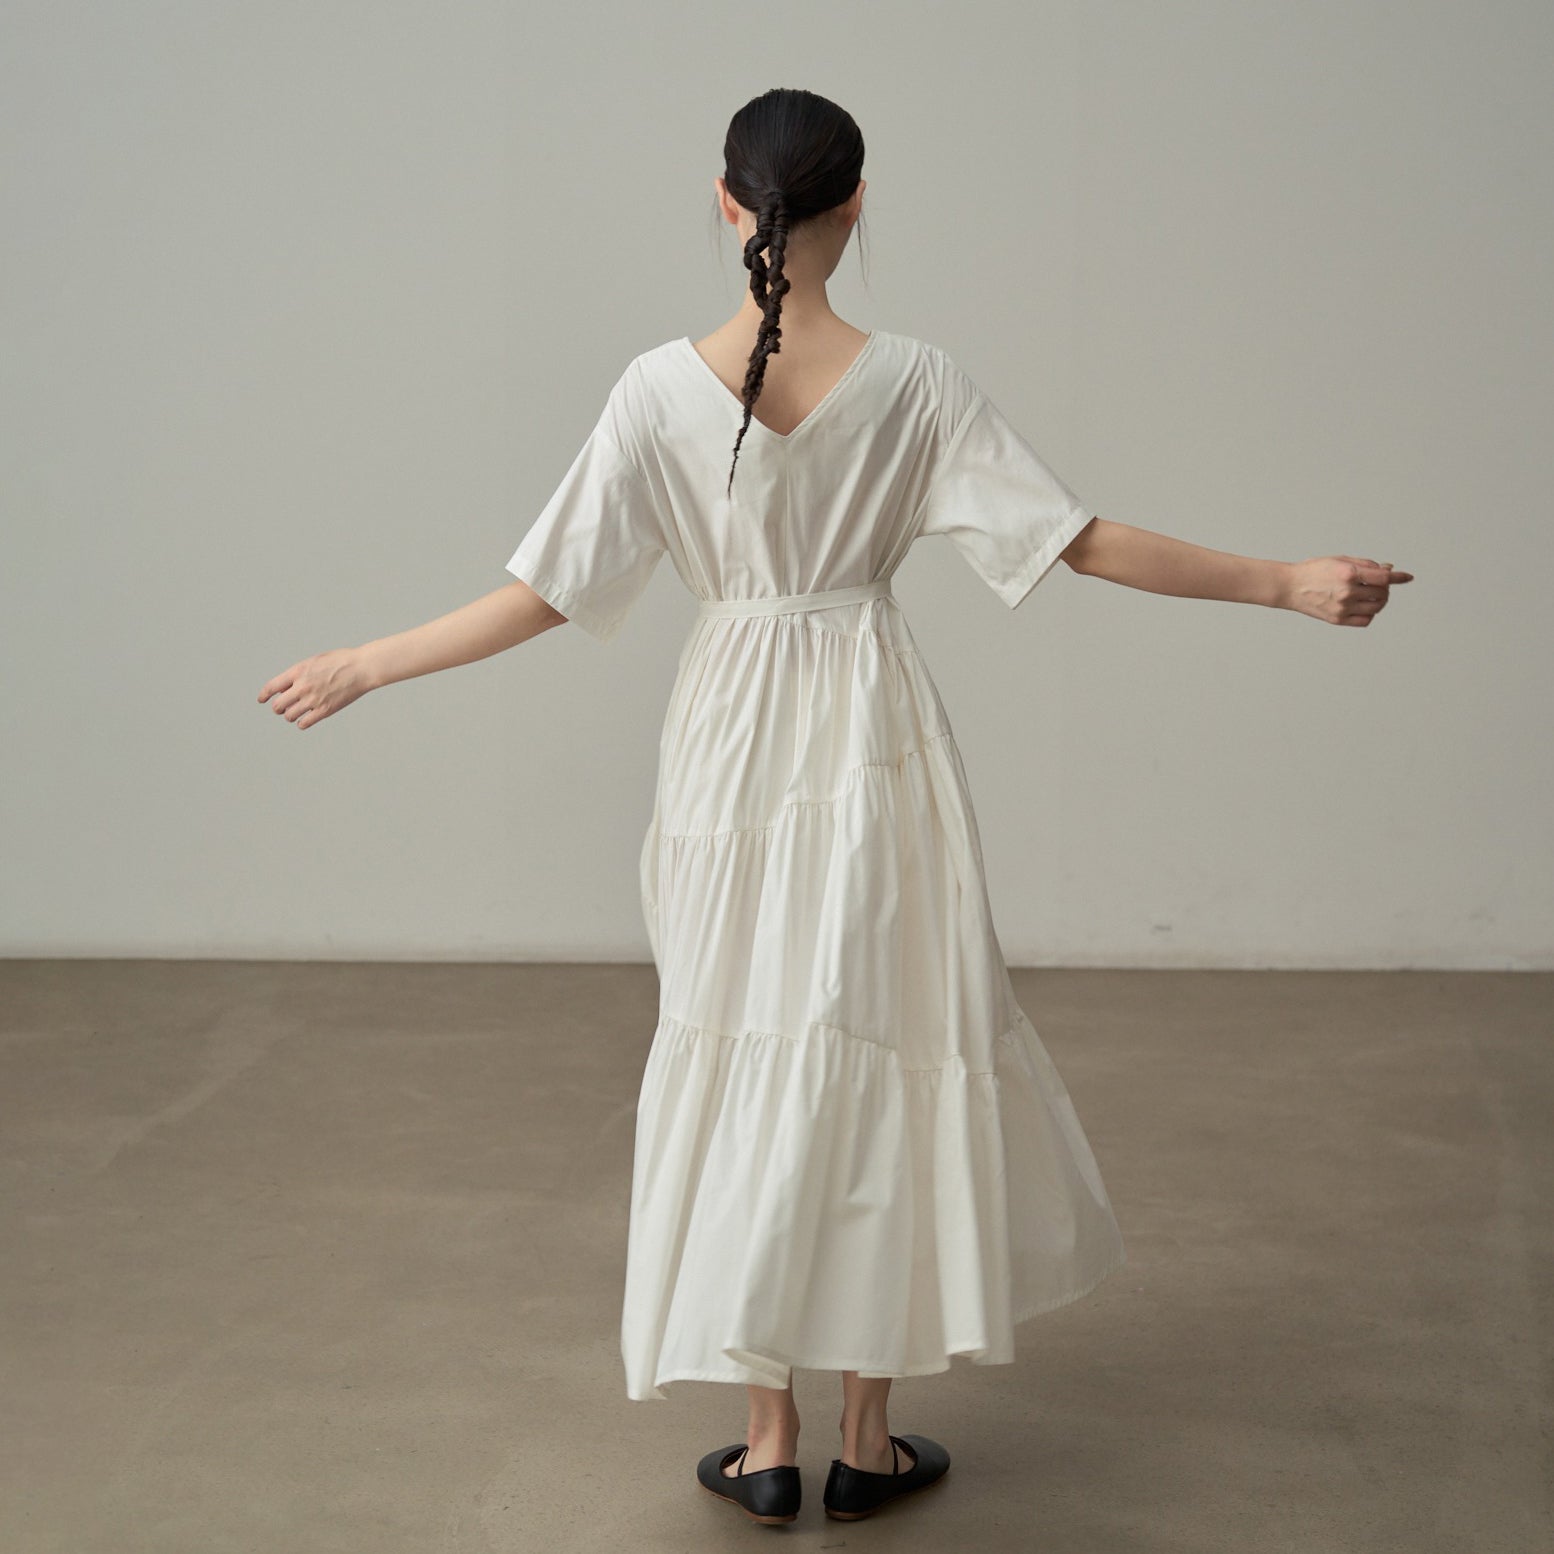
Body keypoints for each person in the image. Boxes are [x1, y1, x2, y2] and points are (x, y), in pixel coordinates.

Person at [257, 88, 1412, 1527]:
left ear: (725, 201)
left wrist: (368, 662)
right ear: (857, 204)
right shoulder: (915, 381)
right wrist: (1285, 581)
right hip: (870, 725)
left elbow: (547, 591)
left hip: (728, 738)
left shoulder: (655, 389)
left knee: (737, 1033)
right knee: (884, 1035)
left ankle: (766, 1441)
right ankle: (868, 1435)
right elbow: (1075, 541)